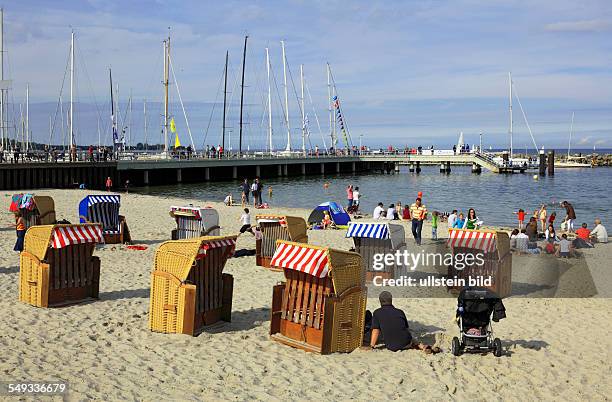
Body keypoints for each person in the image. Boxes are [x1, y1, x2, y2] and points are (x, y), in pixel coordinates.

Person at [364, 292, 438, 353]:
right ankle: (423, 347)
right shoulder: (400, 312)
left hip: (392, 347)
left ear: (380, 301)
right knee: (412, 339)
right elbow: (406, 328)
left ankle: (419, 346)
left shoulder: (377, 313)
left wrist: (372, 346)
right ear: (391, 300)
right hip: (406, 342)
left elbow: (375, 330)